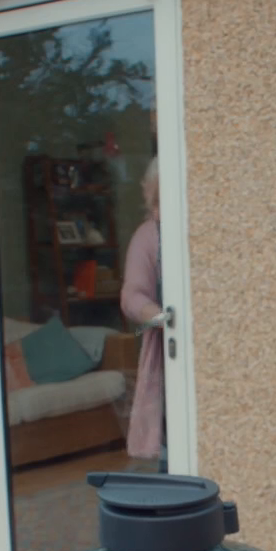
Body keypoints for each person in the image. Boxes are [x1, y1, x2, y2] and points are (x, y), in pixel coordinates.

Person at [120, 156, 167, 472]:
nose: (154, 209)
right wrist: (161, 318)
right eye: (151, 200)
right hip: (170, 351)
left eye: (159, 198)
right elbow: (132, 296)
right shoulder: (148, 235)